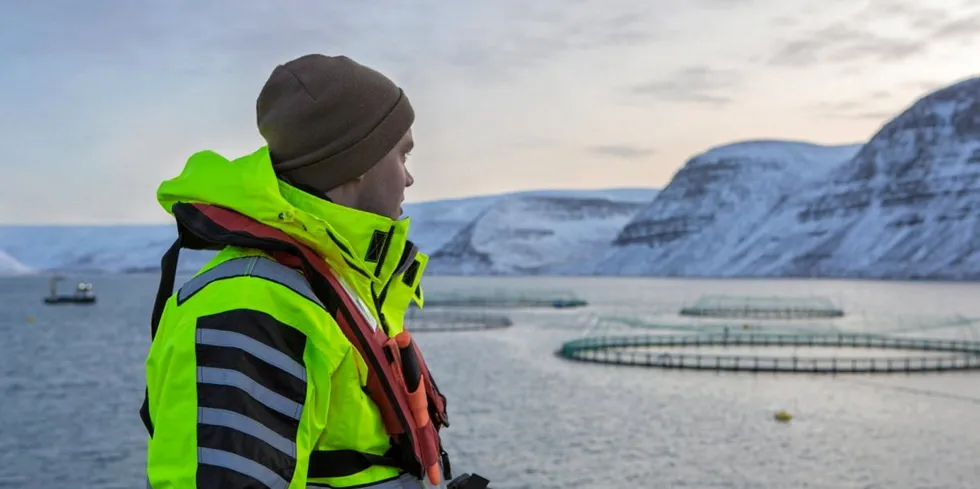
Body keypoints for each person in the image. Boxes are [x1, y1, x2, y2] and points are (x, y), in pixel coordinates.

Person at [140, 54, 478, 489]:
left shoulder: (335, 279)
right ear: (359, 160)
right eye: (402, 155)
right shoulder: (252, 307)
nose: (409, 178)